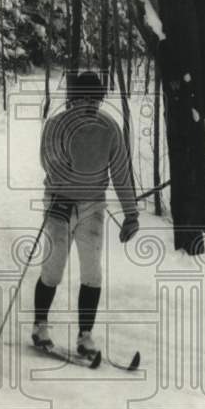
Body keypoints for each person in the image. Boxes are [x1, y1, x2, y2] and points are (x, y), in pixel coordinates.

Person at [31, 71, 139, 357]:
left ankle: (85, 336)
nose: (89, 104)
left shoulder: (109, 128)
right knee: (53, 268)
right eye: (83, 98)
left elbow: (121, 172)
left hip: (92, 207)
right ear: (72, 99)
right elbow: (49, 160)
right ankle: (40, 326)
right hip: (59, 206)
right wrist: (61, 193)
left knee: (92, 272)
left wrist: (131, 214)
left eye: (95, 99)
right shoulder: (56, 125)